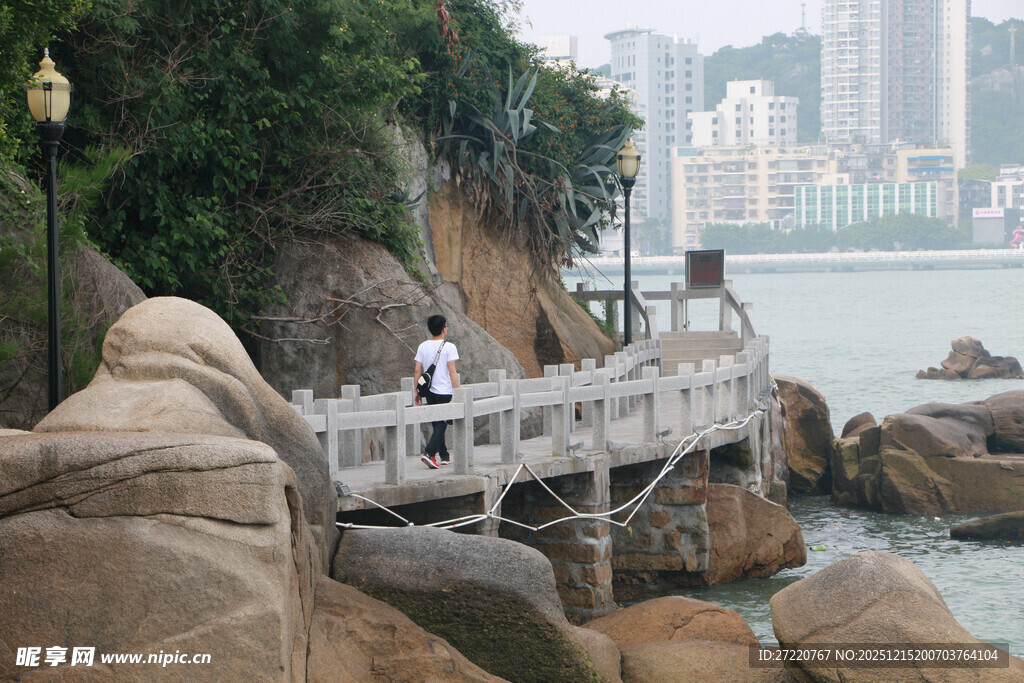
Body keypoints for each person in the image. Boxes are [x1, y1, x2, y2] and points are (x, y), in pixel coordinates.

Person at [413, 314, 460, 469]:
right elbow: (452, 371)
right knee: (442, 424)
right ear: (443, 328)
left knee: (438, 423)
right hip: (444, 391)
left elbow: (417, 370)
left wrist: (417, 392)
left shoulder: (422, 346)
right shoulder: (449, 347)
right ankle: (429, 453)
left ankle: (444, 455)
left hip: (429, 392)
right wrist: (458, 392)